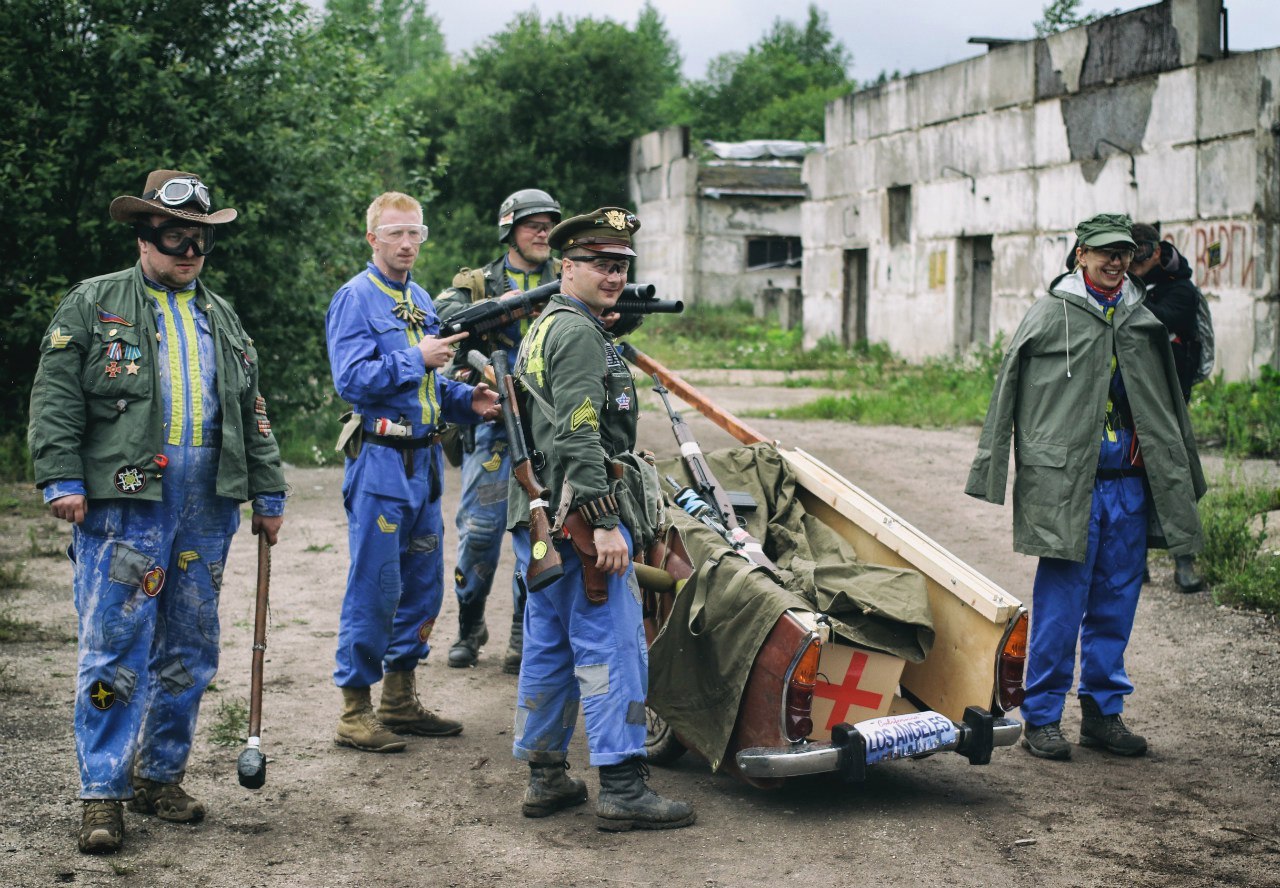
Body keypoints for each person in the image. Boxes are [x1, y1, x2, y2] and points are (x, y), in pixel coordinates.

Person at [28, 169, 287, 855]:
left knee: (192, 651)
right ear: (145, 234)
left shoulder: (221, 315)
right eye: (176, 237)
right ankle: (102, 794)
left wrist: (269, 491)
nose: (190, 251)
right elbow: (54, 395)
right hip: (125, 501)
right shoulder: (94, 303)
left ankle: (158, 775)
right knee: (115, 652)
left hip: (207, 501)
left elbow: (252, 408)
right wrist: (60, 475)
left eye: (200, 240)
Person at [966, 213, 1205, 762]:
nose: (1115, 261)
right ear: (1080, 255)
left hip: (1129, 484)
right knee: (1061, 603)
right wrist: (991, 468)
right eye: (1103, 252)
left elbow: (1170, 399)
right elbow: (1007, 390)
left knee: (1116, 603)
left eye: (1123, 252)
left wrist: (1181, 472)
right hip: (1066, 484)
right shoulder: (1051, 315)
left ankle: (1102, 713)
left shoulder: (1140, 317)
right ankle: (1042, 717)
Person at [507, 206, 694, 830]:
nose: (612, 276)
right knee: (613, 649)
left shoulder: (547, 325)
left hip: (543, 522)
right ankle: (622, 785)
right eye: (599, 264)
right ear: (567, 265)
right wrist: (605, 523)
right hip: (579, 520)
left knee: (551, 648)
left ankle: (546, 775)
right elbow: (580, 437)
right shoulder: (579, 335)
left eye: (620, 266)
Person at [325, 191, 500, 754]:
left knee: (422, 586)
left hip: (424, 461)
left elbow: (427, 386)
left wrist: (463, 400)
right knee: (376, 585)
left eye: (415, 233)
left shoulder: (420, 298)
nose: (407, 243)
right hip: (379, 460)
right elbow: (352, 381)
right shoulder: (354, 298)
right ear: (372, 238)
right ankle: (355, 710)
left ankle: (399, 700)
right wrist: (415, 359)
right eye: (395, 233)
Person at [434, 188, 563, 672]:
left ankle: (521, 632)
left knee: (537, 529)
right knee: (480, 533)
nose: (543, 231)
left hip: (547, 426)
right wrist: (502, 306)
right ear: (510, 229)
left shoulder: (566, 277)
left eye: (549, 223)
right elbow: (442, 317)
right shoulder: (479, 282)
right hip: (492, 422)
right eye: (533, 224)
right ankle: (470, 626)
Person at [1129, 222, 1206, 593]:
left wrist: (1130, 295)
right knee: (1129, 478)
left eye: (1142, 250)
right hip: (1128, 398)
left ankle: (1184, 562)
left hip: (1167, 402)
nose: (1136, 259)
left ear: (1158, 251)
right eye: (1130, 251)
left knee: (1174, 478)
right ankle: (1135, 562)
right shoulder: (1122, 283)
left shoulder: (1180, 290)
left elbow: (1154, 320)